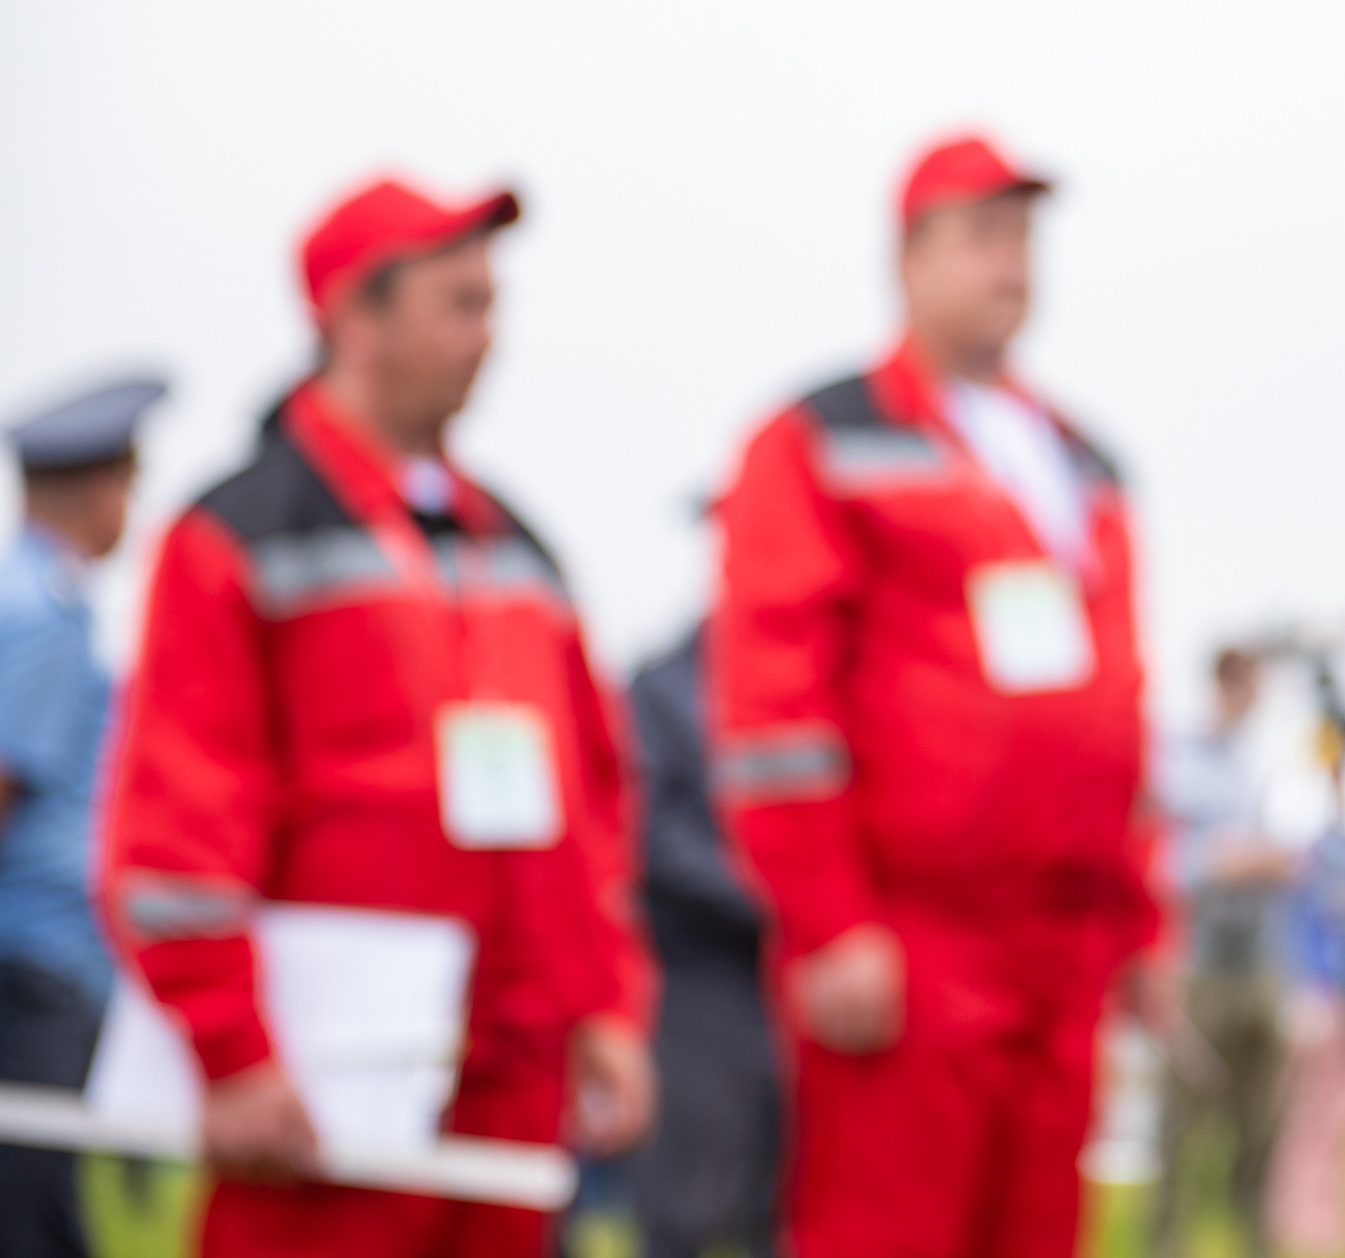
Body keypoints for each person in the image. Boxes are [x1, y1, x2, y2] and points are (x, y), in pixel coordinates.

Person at [98, 177, 656, 1257]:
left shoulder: (519, 550)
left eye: (492, 304)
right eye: (460, 303)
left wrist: (607, 1007)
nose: (489, 338)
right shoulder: (236, 536)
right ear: (352, 316)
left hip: (507, 1073)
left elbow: (591, 802)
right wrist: (234, 1051)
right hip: (322, 1084)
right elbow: (179, 818)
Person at [710, 133, 1156, 1258]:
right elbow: (771, 703)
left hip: (1061, 942)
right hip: (911, 939)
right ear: (906, 259)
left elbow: (1118, 707)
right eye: (980, 234)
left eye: (1023, 237)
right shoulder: (817, 438)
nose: (1010, 262)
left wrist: (1140, 919)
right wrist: (829, 921)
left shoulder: (1082, 459)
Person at [0, 376, 166, 1258]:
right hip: (34, 963)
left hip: (46, 960)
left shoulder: (39, 600)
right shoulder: (43, 615)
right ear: (98, 486)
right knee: (27, 1210)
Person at [624, 621, 780, 1258]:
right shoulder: (662, 688)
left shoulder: (808, 675)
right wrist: (783, 897)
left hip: (799, 981)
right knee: (687, 1209)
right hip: (701, 981)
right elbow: (650, 833)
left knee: (786, 1209)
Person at [1150, 647, 1293, 1258]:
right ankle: (1165, 1244)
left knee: (1262, 1124)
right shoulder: (1172, 758)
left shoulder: (1253, 763)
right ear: (1226, 681)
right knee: (1181, 1127)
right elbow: (1152, 858)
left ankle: (1258, 1241)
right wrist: (1217, 863)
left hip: (1258, 963)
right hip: (1195, 968)